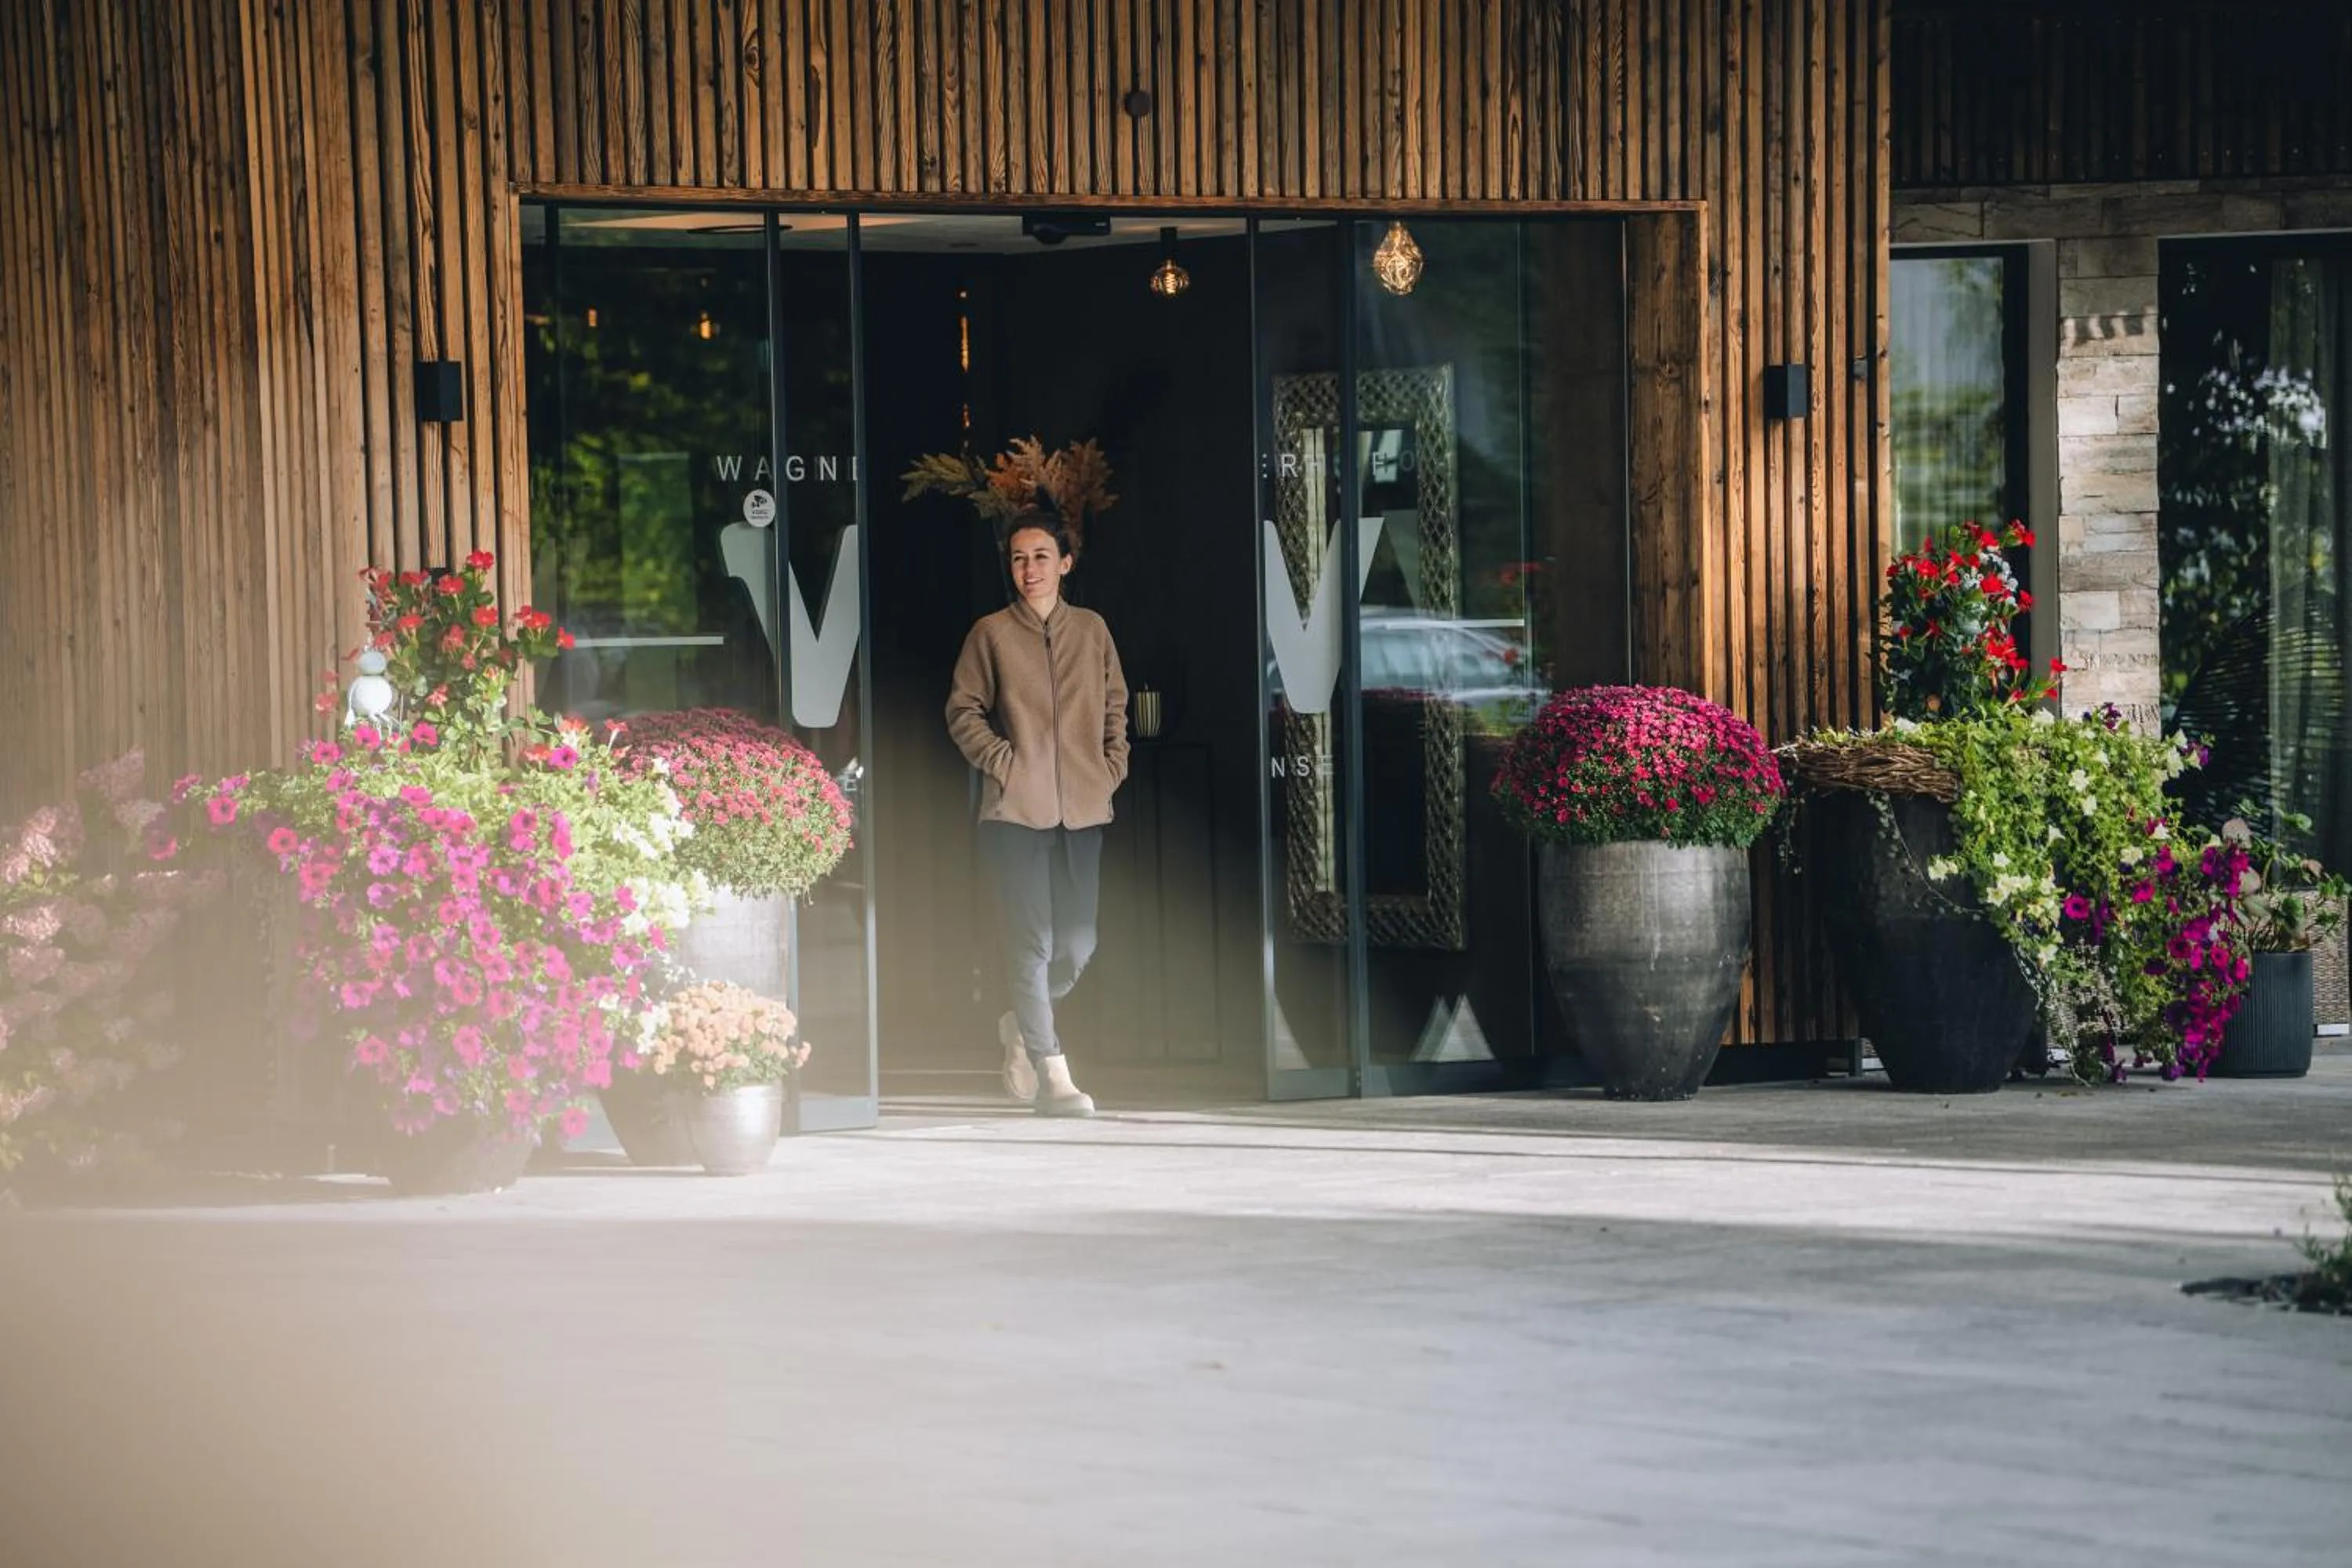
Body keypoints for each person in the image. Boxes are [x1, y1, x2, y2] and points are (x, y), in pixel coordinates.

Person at [946, 518, 1129, 1116]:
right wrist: (1006, 764)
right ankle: (1055, 1075)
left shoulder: (1093, 630)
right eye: (1020, 558)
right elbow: (963, 710)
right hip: (1015, 813)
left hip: (1083, 808)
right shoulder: (991, 633)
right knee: (1032, 945)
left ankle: (1020, 1025)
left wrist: (1111, 767)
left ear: (1065, 563)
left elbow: (1116, 704)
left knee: (1077, 946)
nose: (1030, 569)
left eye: (1042, 556)